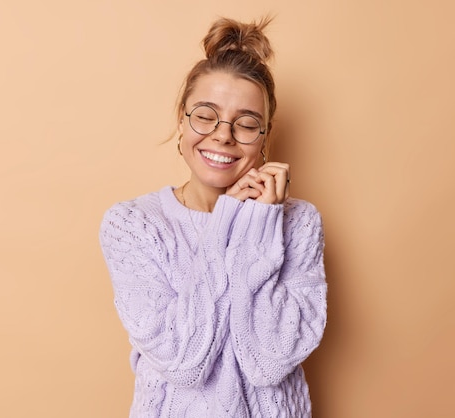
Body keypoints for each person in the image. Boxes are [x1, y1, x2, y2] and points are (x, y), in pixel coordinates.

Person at [99, 16, 327, 417]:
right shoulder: (131, 225)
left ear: (265, 137)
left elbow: (269, 361)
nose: (223, 135)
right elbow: (186, 363)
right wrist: (228, 220)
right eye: (206, 115)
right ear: (181, 120)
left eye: (246, 123)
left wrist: (259, 223)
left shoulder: (300, 223)